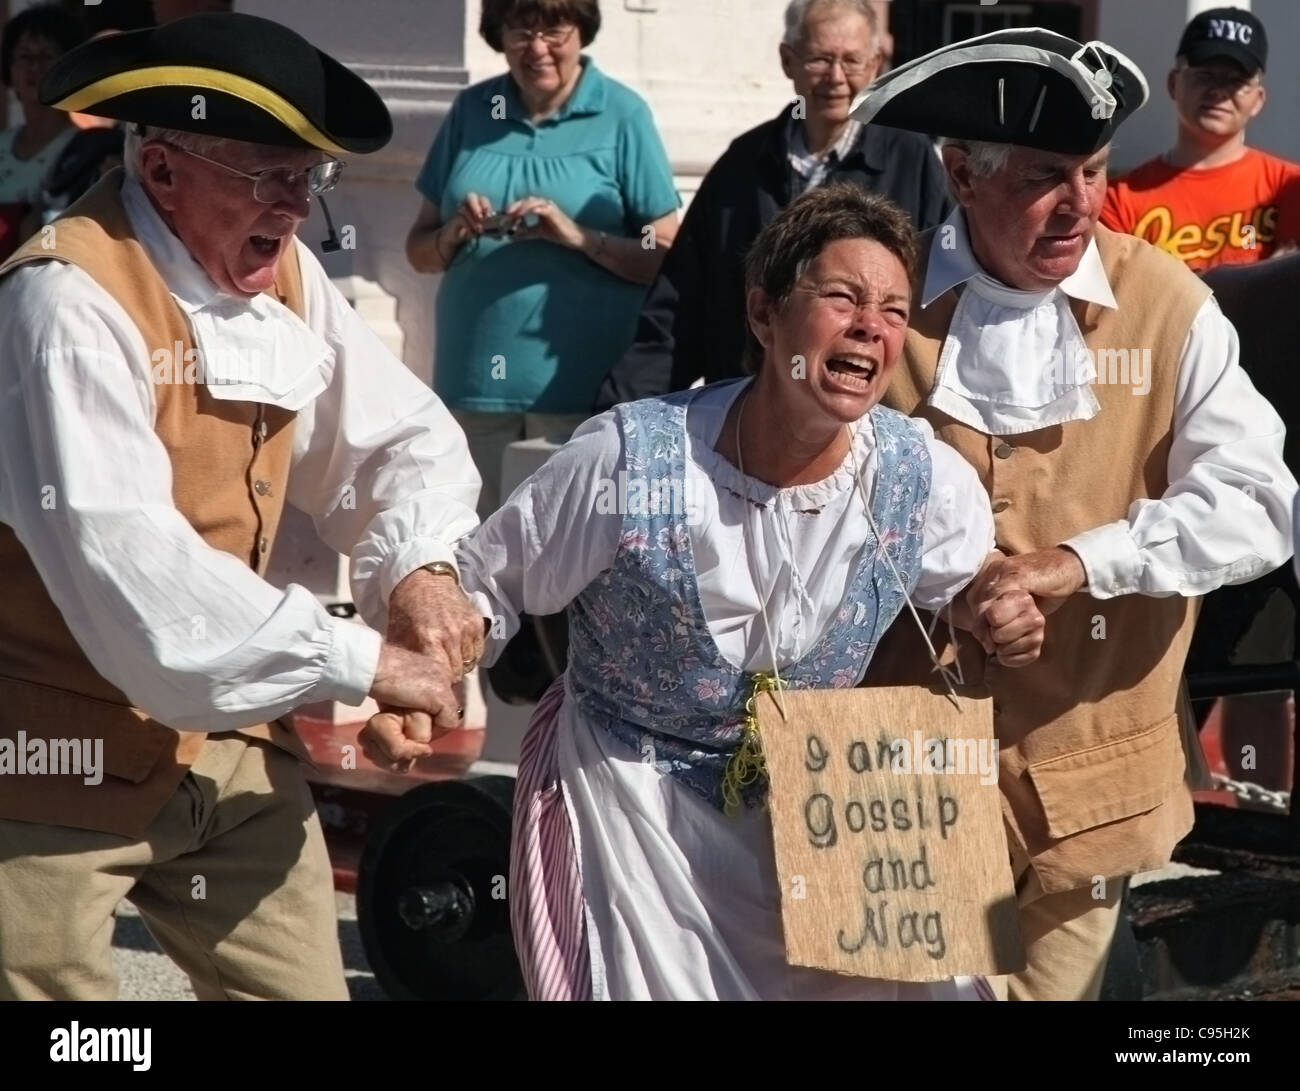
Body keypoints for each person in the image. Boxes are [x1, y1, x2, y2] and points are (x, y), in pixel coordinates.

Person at [366, 184, 1047, 1000]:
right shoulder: (629, 459)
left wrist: (992, 608)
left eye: (895, 310)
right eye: (842, 297)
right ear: (764, 314)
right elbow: (485, 581)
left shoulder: (918, 472)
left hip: (825, 802)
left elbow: (961, 581)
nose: (873, 324)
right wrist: (421, 685)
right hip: (631, 805)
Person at [0, 12, 487, 1001]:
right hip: (58, 754)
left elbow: (396, 438)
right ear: (165, 167)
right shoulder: (64, 300)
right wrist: (363, 661)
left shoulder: (288, 279)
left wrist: (419, 573)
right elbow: (132, 566)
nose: (298, 208)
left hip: (227, 743)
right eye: (268, 175)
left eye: (308, 179)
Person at [853, 27, 1297, 1001]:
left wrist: (1076, 562)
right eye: (1047, 176)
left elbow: (1259, 501)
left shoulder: (1166, 304)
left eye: (1094, 172)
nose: (1081, 204)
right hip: (892, 762)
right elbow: (792, 491)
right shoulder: (872, 300)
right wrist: (947, 588)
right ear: (961, 172)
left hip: (1092, 775)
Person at [594, 0, 949, 411]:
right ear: (788, 60)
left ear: (876, 64)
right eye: (819, 59)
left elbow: (940, 301)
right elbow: (678, 308)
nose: (835, 77)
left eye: (851, 61)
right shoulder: (744, 163)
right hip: (746, 421)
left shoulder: (912, 159)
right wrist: (618, 414)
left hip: (860, 418)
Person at [405, 0, 679, 519]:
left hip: (580, 387)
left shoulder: (622, 114)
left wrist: (576, 236)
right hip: (472, 382)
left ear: (581, 31)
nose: (536, 47)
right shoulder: (472, 110)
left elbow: (666, 253)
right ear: (498, 33)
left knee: (566, 555)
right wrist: (456, 231)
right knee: (475, 548)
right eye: (520, 29)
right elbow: (418, 252)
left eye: (554, 28)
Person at [1100, 7, 1300, 270]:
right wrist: (1258, 276)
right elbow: (1123, 298)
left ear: (1258, 99)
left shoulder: (1289, 187)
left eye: (1236, 81)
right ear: (1174, 83)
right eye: (1204, 75)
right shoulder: (1118, 198)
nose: (1218, 92)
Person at [0, 3, 84, 258]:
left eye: (47, 56)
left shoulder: (86, 154)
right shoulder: (1, 144)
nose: (35, 67)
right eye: (25, 56)